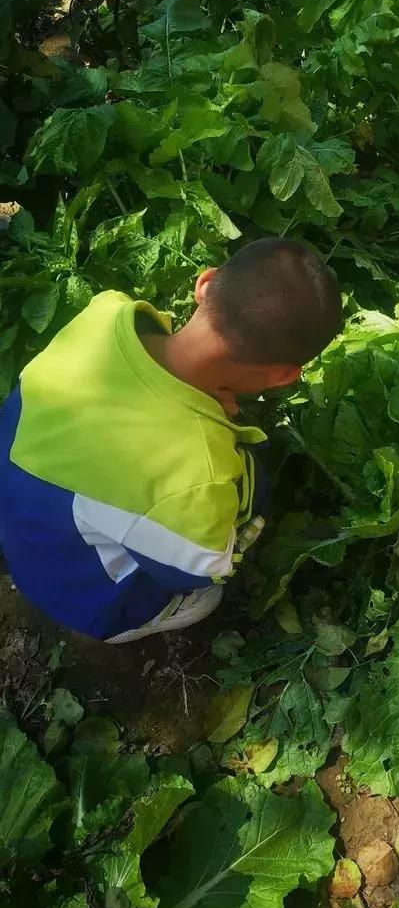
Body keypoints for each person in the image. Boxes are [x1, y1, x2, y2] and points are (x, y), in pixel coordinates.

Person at [0, 238, 342, 644]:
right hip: (81, 598)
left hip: (18, 524)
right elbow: (204, 568)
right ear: (283, 375)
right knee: (207, 592)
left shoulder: (106, 311)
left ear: (206, 284)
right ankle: (126, 622)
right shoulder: (201, 475)